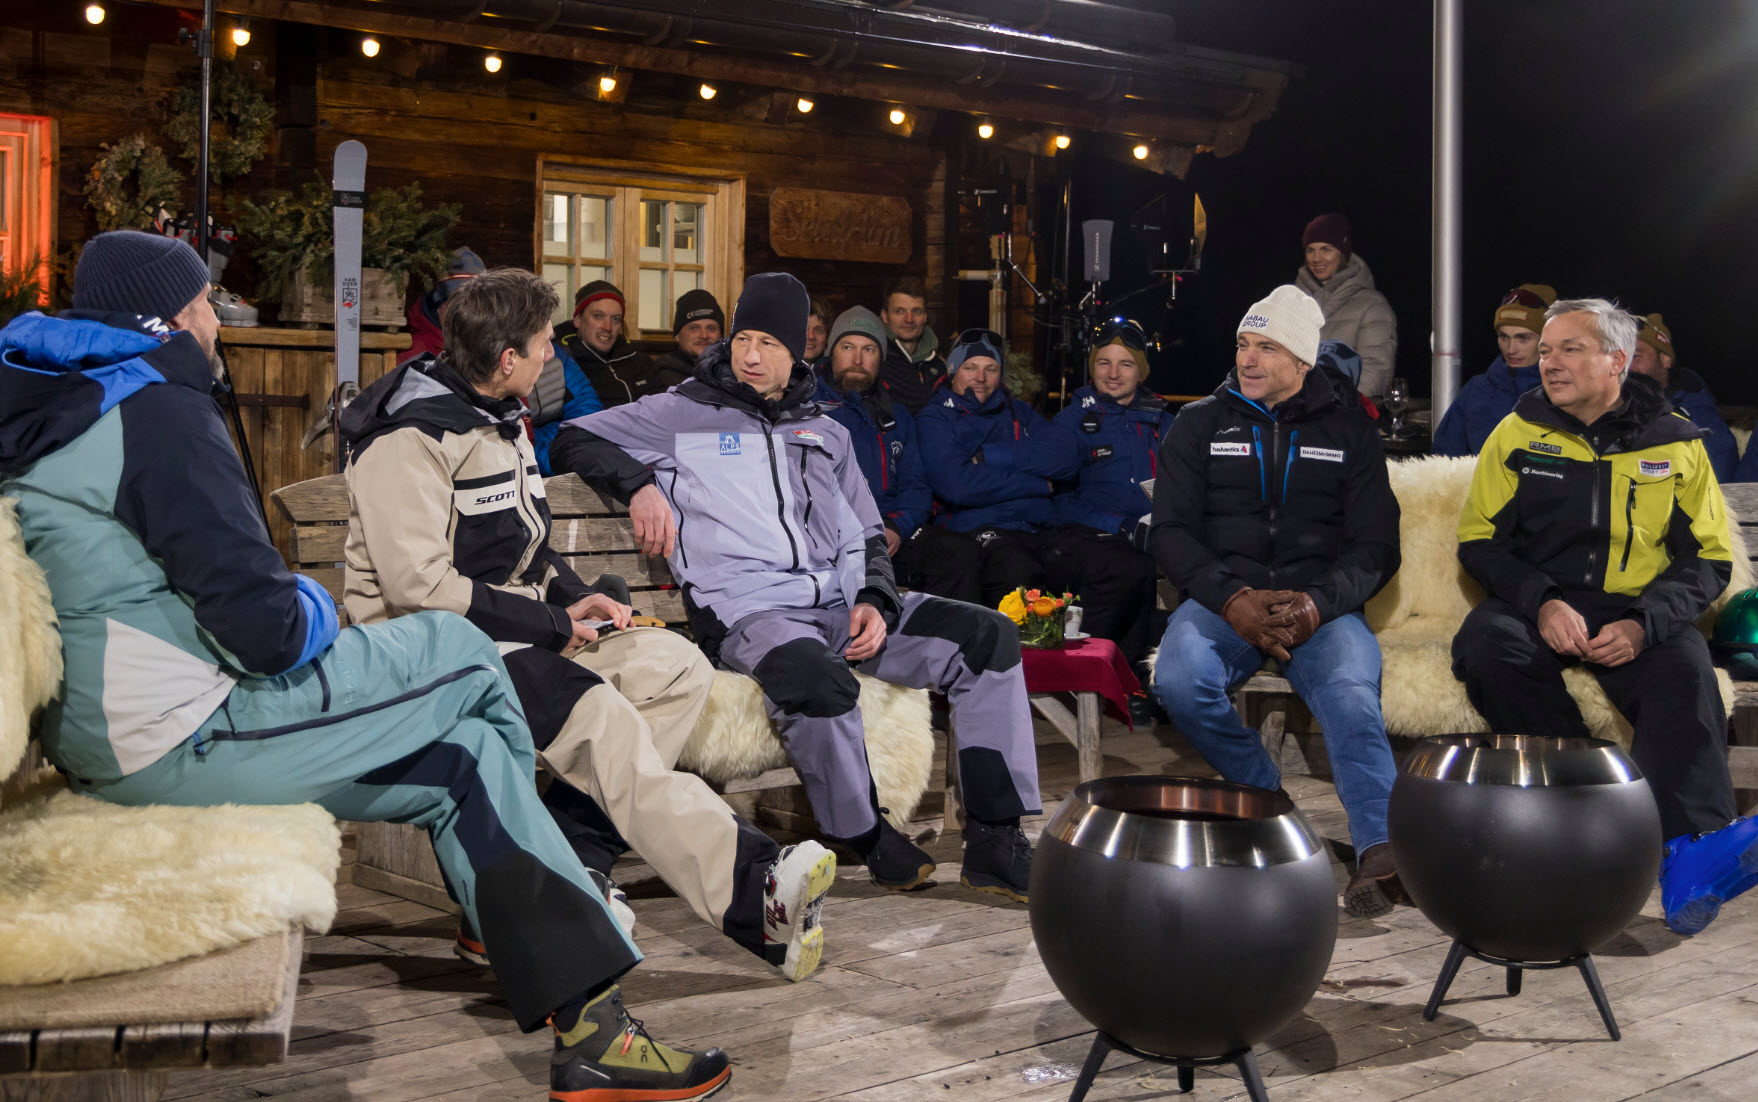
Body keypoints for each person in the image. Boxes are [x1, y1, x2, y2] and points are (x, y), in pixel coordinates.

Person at [0, 231, 731, 1101]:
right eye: (204, 303)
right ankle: (555, 918)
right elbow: (270, 628)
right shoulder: (152, 411)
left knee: (460, 760)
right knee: (463, 660)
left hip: (122, 722)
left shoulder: (64, 399)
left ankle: (570, 1000)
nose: (217, 321)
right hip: (180, 730)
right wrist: (318, 605)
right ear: (165, 316)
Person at [341, 267, 835, 983]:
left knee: (674, 667)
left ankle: (574, 870)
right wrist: (551, 623)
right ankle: (754, 889)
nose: (554, 355)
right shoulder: (410, 437)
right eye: (545, 343)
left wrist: (580, 601)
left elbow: (527, 548)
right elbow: (418, 589)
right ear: (507, 358)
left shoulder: (497, 417)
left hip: (505, 631)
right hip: (429, 654)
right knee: (601, 717)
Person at [550, 273, 1040, 903]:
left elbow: (865, 531)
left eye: (769, 343)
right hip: (748, 612)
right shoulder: (683, 411)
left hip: (837, 604)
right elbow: (574, 436)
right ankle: (862, 831)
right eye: (743, 339)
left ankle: (996, 840)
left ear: (797, 353)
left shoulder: (826, 430)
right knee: (816, 677)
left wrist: (874, 600)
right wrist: (641, 485)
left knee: (987, 637)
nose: (751, 355)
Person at [1452, 297, 1758, 937]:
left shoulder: (1674, 442)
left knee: (1686, 673)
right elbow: (1480, 540)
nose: (1550, 363)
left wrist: (1644, 623)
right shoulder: (1517, 432)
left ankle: (1693, 854)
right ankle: (1584, 806)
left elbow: (1707, 558)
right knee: (1485, 648)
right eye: (1544, 351)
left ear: (1616, 361)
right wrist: (1541, 601)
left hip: (1634, 609)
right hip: (1539, 605)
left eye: (1569, 349)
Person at [1150, 285, 1403, 918]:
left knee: (1350, 698)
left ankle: (1383, 848)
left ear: (1301, 359)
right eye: (1243, 343)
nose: (1249, 358)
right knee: (1179, 681)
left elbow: (1376, 547)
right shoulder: (1199, 423)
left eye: (1267, 346)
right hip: (1222, 599)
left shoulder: (1350, 431)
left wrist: (1319, 604)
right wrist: (1229, 596)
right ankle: (1265, 794)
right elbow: (1171, 532)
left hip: (1320, 606)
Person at [1014, 319, 1170, 669]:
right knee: (1127, 570)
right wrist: (1122, 524)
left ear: (1141, 372)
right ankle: (1080, 672)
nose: (1113, 373)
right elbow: (1061, 494)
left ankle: (1147, 680)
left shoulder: (1162, 421)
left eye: (1125, 364)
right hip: (1085, 533)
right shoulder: (1074, 420)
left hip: (1153, 532)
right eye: (1104, 363)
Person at [914, 329, 1057, 608]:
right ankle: (1009, 651)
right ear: (953, 371)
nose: (981, 378)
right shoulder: (935, 418)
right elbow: (958, 485)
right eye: (970, 368)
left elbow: (1060, 458)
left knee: (1101, 563)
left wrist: (990, 457)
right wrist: (1037, 484)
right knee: (1017, 572)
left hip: (1038, 525)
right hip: (977, 527)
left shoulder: (1019, 412)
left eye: (990, 369)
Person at [1432, 284, 1555, 457]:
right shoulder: (1476, 389)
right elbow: (1443, 459)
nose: (1511, 349)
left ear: (1546, 340)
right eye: (1504, 337)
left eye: (1523, 338)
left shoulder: (1562, 391)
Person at [1294, 213, 1398, 400]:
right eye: (1310, 250)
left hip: (1342, 418)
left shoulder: (1371, 306)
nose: (1317, 258)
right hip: (1290, 418)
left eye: (1326, 249)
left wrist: (1337, 409)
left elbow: (1375, 371)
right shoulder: (1291, 302)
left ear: (1343, 252)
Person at [1628, 312, 1738, 482]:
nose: (1625, 366)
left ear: (1665, 360)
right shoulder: (1604, 413)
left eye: (1635, 356)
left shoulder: (1698, 422)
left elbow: (1716, 496)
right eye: (1618, 357)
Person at [553, 280, 656, 407]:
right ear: (578, 320)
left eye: (616, 319)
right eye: (598, 316)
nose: (607, 327)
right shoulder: (562, 364)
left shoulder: (642, 362)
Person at [397, 246, 485, 365]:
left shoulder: (489, 350)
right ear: (438, 306)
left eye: (475, 305)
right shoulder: (414, 359)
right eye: (455, 305)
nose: (465, 314)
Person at [878, 275, 949, 414]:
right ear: (885, 316)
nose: (909, 319)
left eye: (916, 311)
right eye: (899, 311)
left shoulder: (937, 367)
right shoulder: (875, 362)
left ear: (925, 317)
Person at [650, 288, 724, 390]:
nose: (704, 335)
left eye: (711, 328)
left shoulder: (736, 372)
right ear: (677, 335)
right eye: (694, 328)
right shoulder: (660, 376)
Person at [805, 297, 832, 367]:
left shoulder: (836, 375)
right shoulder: (775, 372)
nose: (811, 336)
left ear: (827, 337)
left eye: (818, 330)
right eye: (804, 329)